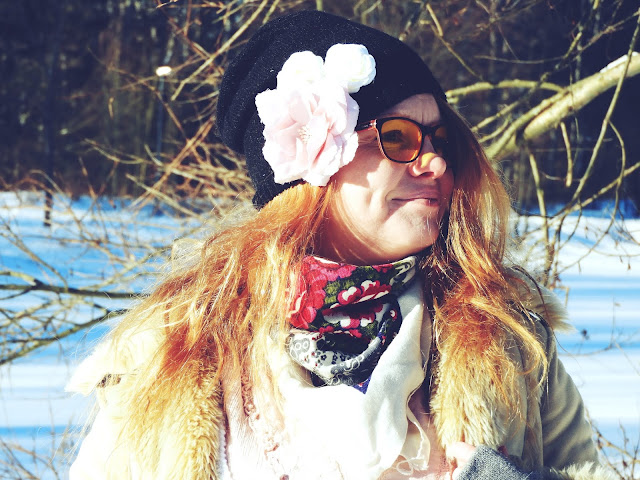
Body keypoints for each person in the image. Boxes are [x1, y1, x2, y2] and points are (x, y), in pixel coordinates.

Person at [67, 10, 614, 480]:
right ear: (311, 171)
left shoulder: (503, 334)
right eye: (397, 137)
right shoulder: (176, 353)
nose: (435, 162)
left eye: (440, 139)